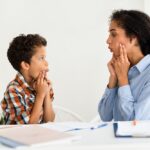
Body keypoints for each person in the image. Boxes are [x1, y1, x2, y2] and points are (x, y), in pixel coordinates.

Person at [98, 10, 150, 121]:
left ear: (132, 38)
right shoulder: (122, 68)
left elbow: (135, 124)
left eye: (113, 34)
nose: (108, 40)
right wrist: (113, 79)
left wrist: (123, 80)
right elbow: (105, 116)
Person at [1, 34, 55, 124]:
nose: (46, 63)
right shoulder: (13, 90)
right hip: (18, 136)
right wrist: (40, 95)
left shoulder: (42, 85)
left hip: (39, 136)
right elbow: (28, 128)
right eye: (41, 58)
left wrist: (46, 92)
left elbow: (49, 121)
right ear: (26, 65)